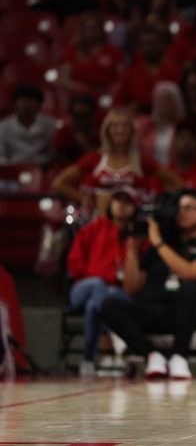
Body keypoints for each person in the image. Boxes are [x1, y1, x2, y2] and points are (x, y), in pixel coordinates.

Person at [100, 190, 196, 380]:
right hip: (151, 312)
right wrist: (132, 249)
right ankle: (152, 356)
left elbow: (190, 273)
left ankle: (179, 357)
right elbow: (131, 288)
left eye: (187, 208)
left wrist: (158, 243)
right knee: (109, 304)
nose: (180, 213)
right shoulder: (160, 248)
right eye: (178, 208)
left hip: (188, 317)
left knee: (189, 288)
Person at [66, 187, 139, 376]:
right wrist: (92, 276)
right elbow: (74, 261)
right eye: (117, 201)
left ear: (134, 207)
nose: (121, 206)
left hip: (116, 292)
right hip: (83, 287)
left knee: (95, 304)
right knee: (98, 285)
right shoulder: (94, 228)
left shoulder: (137, 236)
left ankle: (88, 360)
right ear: (110, 204)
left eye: (127, 202)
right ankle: (115, 331)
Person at [51, 108, 182, 213]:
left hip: (133, 226)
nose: (120, 130)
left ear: (132, 131)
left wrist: (162, 204)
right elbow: (59, 183)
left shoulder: (142, 160)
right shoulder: (95, 159)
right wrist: (84, 199)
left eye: (125, 126)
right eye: (115, 126)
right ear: (107, 130)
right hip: (101, 224)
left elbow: (177, 183)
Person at [0, 85, 57, 166]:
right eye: (22, 100)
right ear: (15, 103)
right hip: (13, 167)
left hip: (43, 167)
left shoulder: (51, 125)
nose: (26, 105)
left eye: (31, 100)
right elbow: (1, 155)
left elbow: (53, 153)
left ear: (39, 105)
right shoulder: (3, 127)